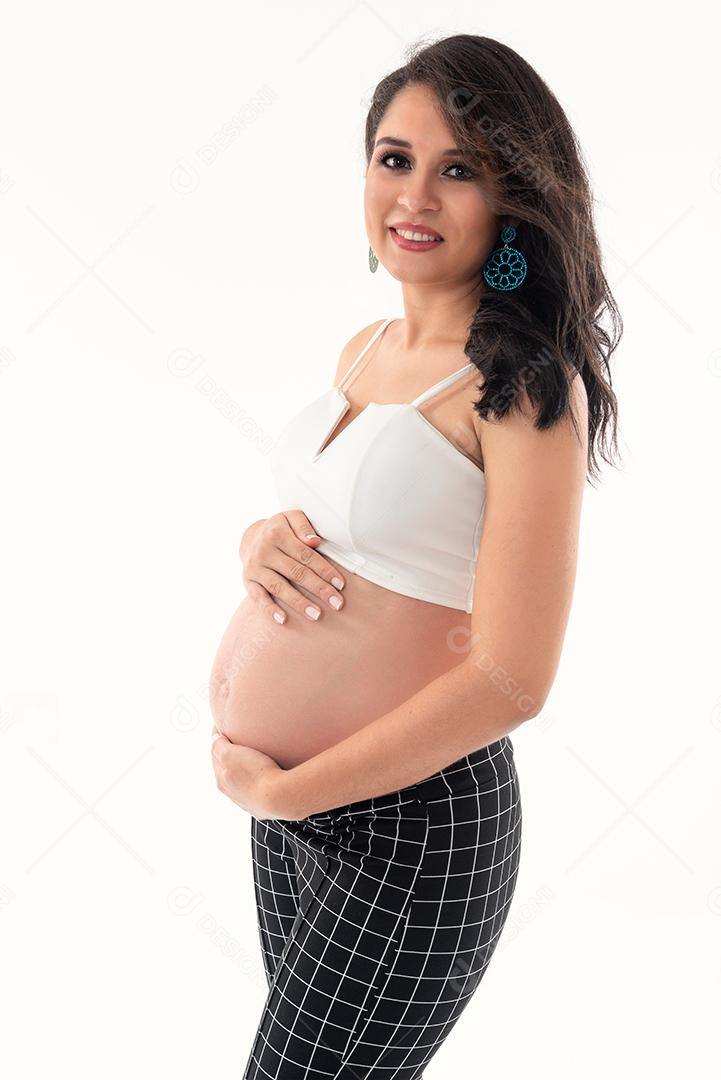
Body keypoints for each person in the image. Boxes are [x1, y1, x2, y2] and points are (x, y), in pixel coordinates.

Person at [211, 32, 621, 1079]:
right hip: (293, 811)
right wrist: (258, 541)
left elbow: (512, 677)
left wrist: (294, 791)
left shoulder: (523, 387)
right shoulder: (364, 350)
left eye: (459, 170)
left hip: (413, 825)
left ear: (512, 198)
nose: (415, 196)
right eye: (394, 159)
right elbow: (356, 532)